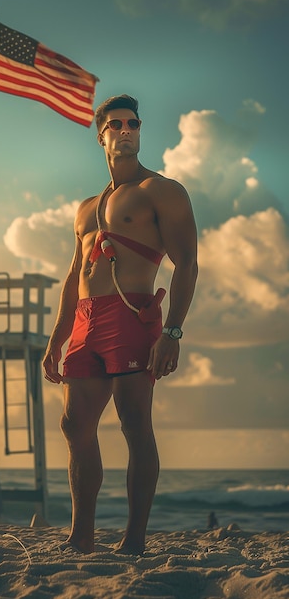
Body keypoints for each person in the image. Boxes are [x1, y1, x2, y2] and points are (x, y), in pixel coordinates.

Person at [43, 94, 198, 554]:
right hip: (86, 321)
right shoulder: (86, 207)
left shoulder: (161, 191)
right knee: (75, 426)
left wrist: (172, 332)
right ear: (102, 136)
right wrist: (58, 339)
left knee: (134, 423)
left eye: (133, 123)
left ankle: (133, 540)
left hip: (132, 314)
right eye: (116, 124)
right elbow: (75, 276)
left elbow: (186, 264)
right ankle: (82, 536)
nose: (126, 129)